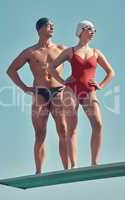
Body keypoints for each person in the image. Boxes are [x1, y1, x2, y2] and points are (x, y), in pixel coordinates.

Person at [7, 17, 73, 173]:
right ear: (40, 29)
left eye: (53, 25)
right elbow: (11, 70)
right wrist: (24, 88)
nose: (52, 27)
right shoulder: (30, 51)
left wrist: (71, 82)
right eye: (49, 25)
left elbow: (79, 64)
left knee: (63, 129)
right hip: (39, 93)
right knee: (39, 132)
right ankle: (38, 171)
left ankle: (67, 168)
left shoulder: (61, 49)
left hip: (58, 91)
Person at [48, 20, 115, 165]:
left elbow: (111, 72)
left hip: (89, 91)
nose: (92, 32)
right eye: (90, 29)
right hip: (71, 90)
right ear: (81, 31)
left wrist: (101, 85)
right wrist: (62, 80)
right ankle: (73, 164)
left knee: (98, 124)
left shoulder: (96, 52)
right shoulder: (70, 51)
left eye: (94, 30)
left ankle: (94, 162)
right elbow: (51, 67)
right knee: (72, 128)